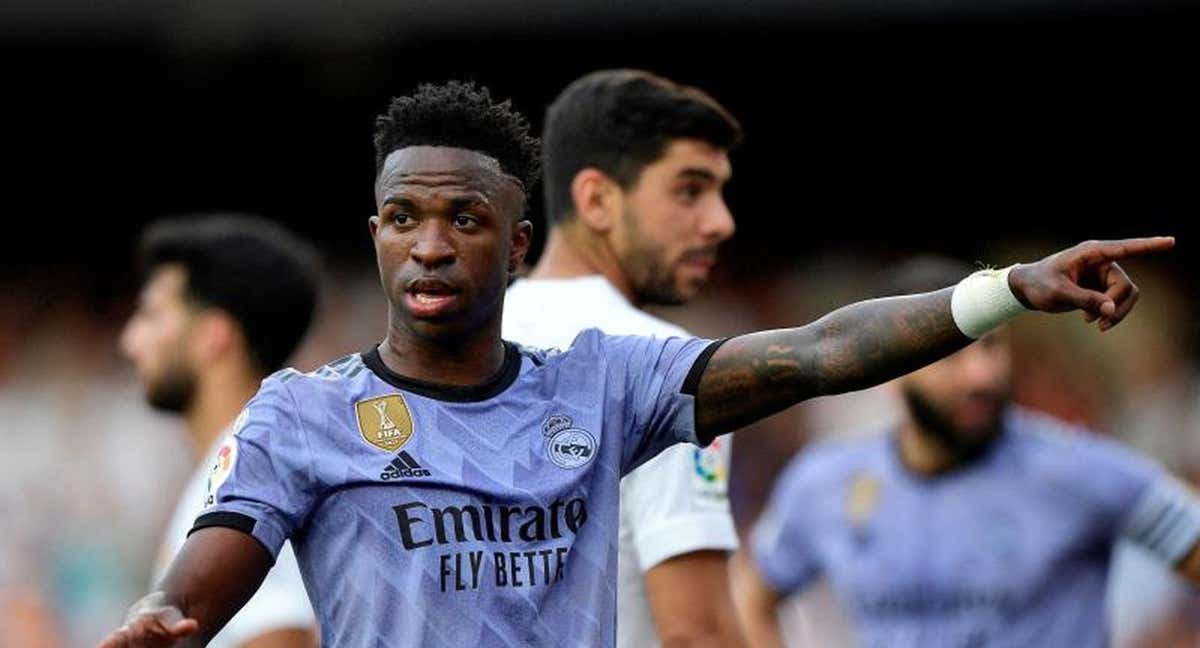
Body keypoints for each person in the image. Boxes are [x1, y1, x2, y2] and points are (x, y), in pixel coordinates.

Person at [98, 80, 1172, 648]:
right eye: (401, 218)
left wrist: (1004, 289)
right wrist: (161, 617)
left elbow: (815, 355)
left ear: (518, 243)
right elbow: (204, 585)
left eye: (464, 218)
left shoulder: (605, 383)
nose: (429, 246)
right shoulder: (304, 415)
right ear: (375, 233)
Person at [732, 257, 1200, 648]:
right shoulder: (826, 482)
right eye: (952, 355)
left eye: (991, 346)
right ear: (888, 370)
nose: (981, 376)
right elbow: (750, 594)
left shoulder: (1080, 469)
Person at [503, 69, 744, 647]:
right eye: (689, 189)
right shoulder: (671, 366)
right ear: (597, 200)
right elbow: (696, 632)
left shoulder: (458, 348)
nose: (720, 222)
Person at [119, 216, 321, 648]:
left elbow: (279, 637)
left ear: (214, 335)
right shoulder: (237, 467)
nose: (130, 341)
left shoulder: (247, 477)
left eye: (152, 315)